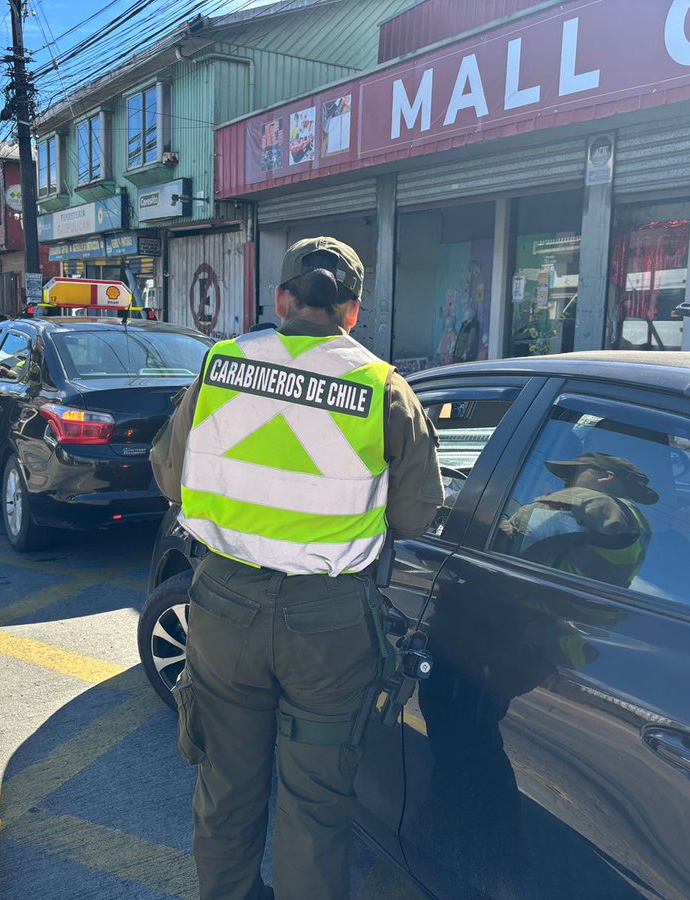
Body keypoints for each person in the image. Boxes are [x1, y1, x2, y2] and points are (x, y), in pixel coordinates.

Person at [151, 236, 443, 900]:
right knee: (314, 806)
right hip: (329, 623)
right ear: (353, 310)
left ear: (281, 298)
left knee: (226, 787)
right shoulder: (382, 387)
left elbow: (170, 477)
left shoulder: (222, 366)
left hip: (224, 606)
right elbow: (418, 515)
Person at [499, 451, 656, 589]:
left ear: (605, 477)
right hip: (580, 610)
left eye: (574, 471)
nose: (565, 479)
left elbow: (515, 541)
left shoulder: (592, 501)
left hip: (535, 602)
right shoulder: (637, 519)